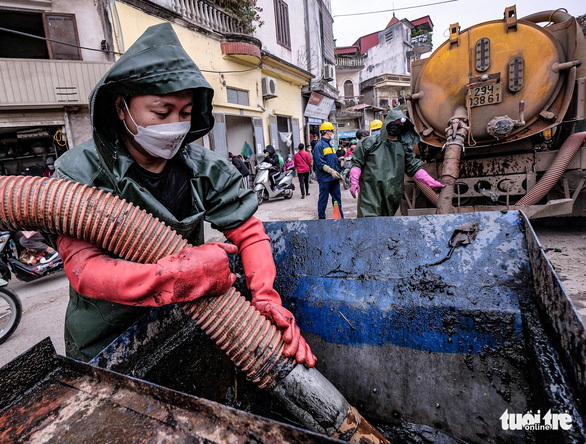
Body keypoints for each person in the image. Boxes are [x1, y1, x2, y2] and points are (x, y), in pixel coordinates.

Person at [50, 23, 316, 368]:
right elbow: (84, 269)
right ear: (121, 107)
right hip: (106, 336)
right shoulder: (78, 172)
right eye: (161, 112)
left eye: (186, 114)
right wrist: (174, 275)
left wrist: (264, 296)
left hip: (184, 319)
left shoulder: (204, 167)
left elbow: (249, 234)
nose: (174, 124)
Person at [350, 109, 444, 217]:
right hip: (371, 192)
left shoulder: (404, 147)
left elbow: (414, 168)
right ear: (387, 124)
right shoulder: (370, 142)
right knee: (368, 222)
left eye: (400, 124)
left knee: (386, 223)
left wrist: (431, 182)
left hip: (392, 193)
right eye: (394, 123)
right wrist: (354, 180)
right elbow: (357, 163)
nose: (397, 126)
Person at [313, 121, 344, 219]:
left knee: (337, 200)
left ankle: (340, 219)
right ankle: (322, 220)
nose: (332, 133)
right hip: (325, 179)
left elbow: (334, 161)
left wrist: (338, 173)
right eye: (331, 131)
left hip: (334, 179)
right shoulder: (319, 146)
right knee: (323, 200)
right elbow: (320, 163)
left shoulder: (330, 146)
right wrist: (331, 171)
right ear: (327, 132)